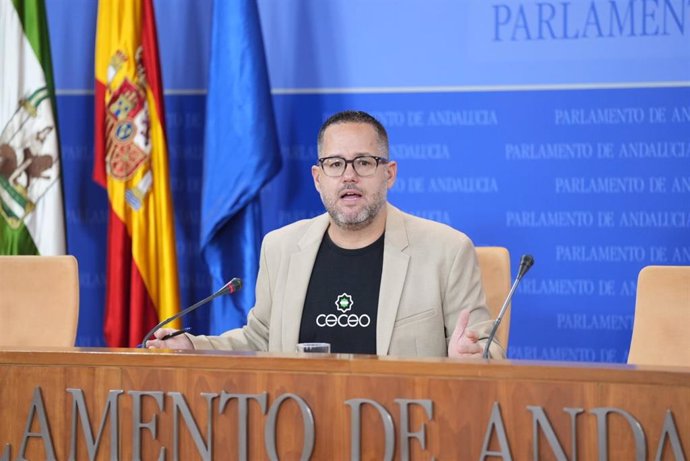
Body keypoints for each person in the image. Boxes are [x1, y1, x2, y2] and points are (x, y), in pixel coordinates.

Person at [147, 110, 504, 358]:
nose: (349, 176)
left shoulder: (447, 251)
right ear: (318, 178)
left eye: (364, 162)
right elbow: (260, 339)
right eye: (335, 164)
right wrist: (195, 346)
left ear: (389, 174)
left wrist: (473, 358)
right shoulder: (281, 247)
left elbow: (486, 348)